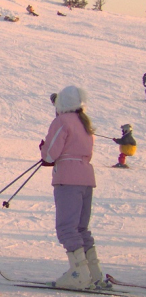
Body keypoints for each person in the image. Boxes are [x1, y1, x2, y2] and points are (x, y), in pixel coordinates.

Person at [39, 85, 109, 290]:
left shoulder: (62, 121)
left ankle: (78, 273)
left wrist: (44, 149)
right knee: (80, 228)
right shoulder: (84, 122)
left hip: (68, 179)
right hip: (86, 178)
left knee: (67, 227)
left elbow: (50, 155)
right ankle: (94, 273)